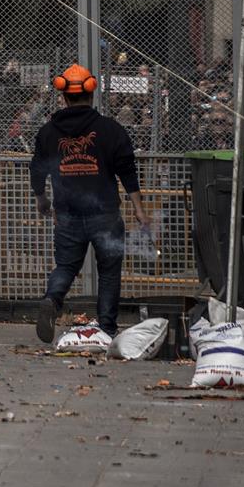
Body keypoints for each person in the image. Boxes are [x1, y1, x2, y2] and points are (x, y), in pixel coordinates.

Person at [31, 63, 148, 343]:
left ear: (63, 95)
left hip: (67, 215)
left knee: (66, 267)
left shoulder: (48, 132)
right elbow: (127, 171)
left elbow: (37, 169)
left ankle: (52, 299)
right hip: (105, 214)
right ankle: (106, 328)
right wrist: (140, 211)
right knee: (109, 271)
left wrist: (42, 199)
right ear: (91, 92)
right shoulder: (110, 130)